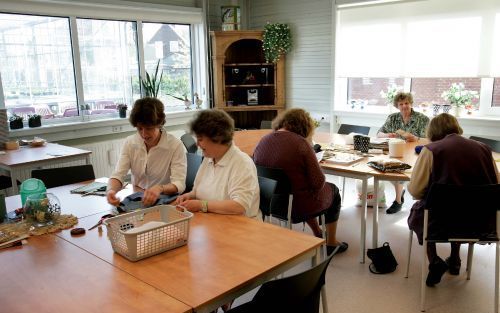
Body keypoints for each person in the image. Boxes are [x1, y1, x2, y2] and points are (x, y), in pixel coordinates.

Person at [407, 113, 499, 287]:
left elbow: (416, 191)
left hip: (440, 223)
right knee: (461, 205)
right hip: (480, 223)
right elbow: (496, 184)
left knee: (424, 210)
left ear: (433, 131)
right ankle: (455, 259)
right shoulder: (485, 149)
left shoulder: (431, 150)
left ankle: (434, 261)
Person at [253, 108, 347, 255]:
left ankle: (317, 231)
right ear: (305, 126)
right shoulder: (301, 144)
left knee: (299, 189)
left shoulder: (263, 140)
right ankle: (331, 243)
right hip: (297, 206)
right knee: (332, 190)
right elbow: (318, 183)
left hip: (269, 203)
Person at [174, 109, 261, 220]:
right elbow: (197, 191)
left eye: (200, 139)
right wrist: (189, 196)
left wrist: (201, 205)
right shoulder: (209, 158)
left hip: (241, 227)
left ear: (217, 138)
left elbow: (239, 206)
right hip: (213, 222)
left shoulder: (242, 163)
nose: (197, 144)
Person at [106, 97, 187, 207]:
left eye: (149, 128)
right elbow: (118, 174)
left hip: (165, 202)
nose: (144, 134)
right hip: (138, 198)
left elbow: (179, 184)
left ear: (159, 124)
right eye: (140, 128)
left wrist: (160, 188)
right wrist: (111, 191)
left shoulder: (175, 146)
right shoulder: (130, 143)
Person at [377, 92, 429, 214]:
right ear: (397, 106)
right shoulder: (392, 117)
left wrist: (416, 139)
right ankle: (400, 194)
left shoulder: (423, 119)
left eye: (406, 103)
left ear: (411, 103)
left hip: (416, 154)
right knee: (385, 168)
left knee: (397, 170)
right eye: (401, 104)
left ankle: (398, 200)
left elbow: (430, 141)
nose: (404, 106)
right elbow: (379, 134)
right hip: (396, 151)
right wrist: (387, 135)